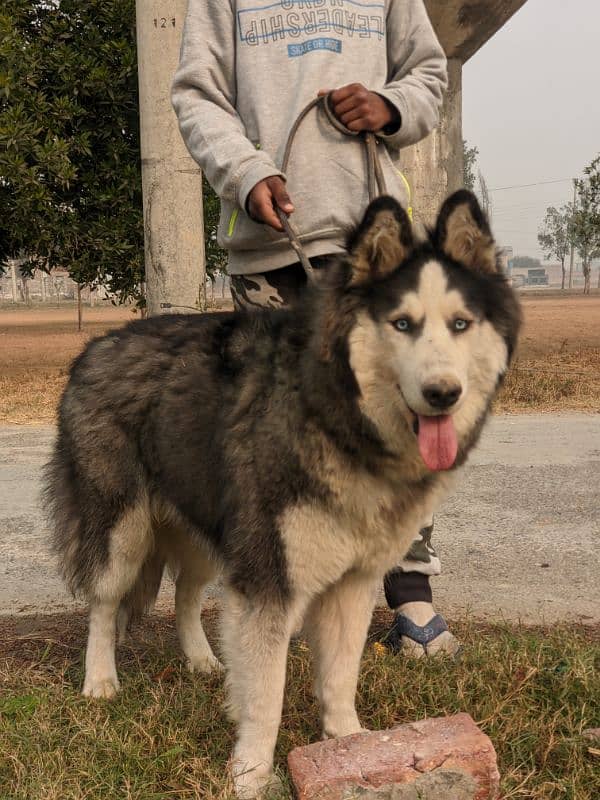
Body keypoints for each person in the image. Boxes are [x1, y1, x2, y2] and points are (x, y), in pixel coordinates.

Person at [172, 0, 458, 655]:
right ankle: (294, 600)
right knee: (281, 437)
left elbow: (427, 75)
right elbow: (196, 92)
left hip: (378, 248)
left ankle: (412, 600)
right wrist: (245, 171)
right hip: (273, 251)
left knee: (402, 416)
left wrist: (390, 107)